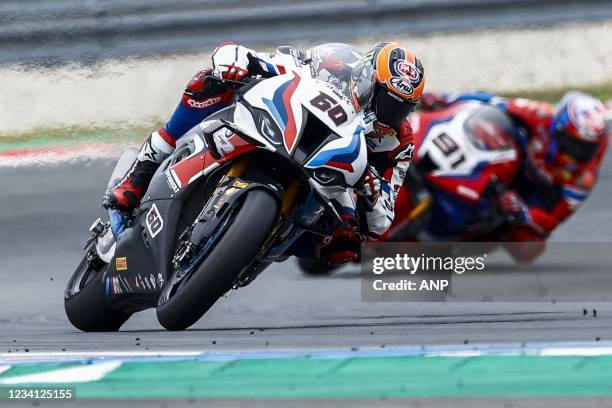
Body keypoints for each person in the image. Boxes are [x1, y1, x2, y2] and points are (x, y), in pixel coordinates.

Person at [104, 41, 425, 265]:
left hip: (330, 179)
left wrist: (371, 193)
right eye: (386, 100)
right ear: (368, 79)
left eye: (400, 108)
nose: (389, 113)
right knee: (209, 82)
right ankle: (141, 171)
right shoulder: (334, 65)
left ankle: (256, 248)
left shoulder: (399, 141)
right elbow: (278, 62)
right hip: (282, 127)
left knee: (346, 244)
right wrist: (240, 62)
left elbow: (382, 222)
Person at [421, 90, 609, 260]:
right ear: (558, 128)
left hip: (530, 196)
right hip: (511, 160)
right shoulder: (540, 113)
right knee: (491, 126)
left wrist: (524, 212)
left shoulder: (583, 178)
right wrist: (446, 99)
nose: (576, 154)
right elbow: (490, 101)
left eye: (586, 149)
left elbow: (553, 219)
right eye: (573, 143)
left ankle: (464, 240)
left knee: (529, 247)